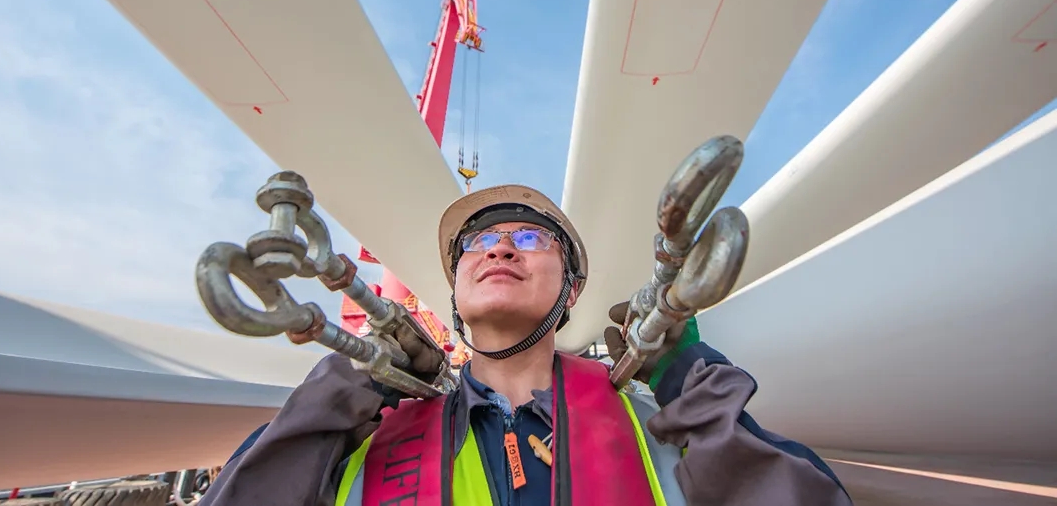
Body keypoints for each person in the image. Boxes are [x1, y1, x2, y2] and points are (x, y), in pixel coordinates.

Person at [203, 185, 852, 505]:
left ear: (571, 293)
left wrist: (688, 378)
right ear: (456, 288)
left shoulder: (662, 425)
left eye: (531, 239)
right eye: (479, 243)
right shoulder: (361, 443)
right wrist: (351, 383)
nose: (502, 249)